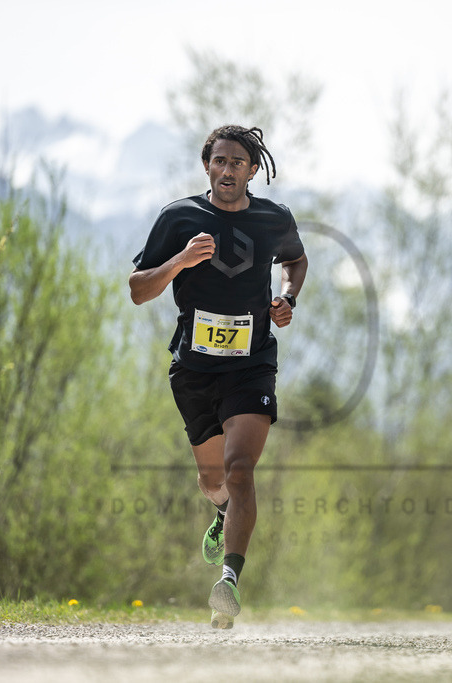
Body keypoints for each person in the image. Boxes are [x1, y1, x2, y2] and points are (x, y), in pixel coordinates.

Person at [128, 125, 308, 629]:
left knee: (240, 468)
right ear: (207, 165)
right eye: (219, 161)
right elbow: (139, 289)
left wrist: (287, 298)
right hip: (194, 369)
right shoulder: (179, 217)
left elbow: (296, 260)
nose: (228, 170)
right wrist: (181, 259)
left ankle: (228, 579)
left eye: (238, 163)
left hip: (251, 366)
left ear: (254, 170)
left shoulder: (274, 218)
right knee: (213, 481)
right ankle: (223, 512)